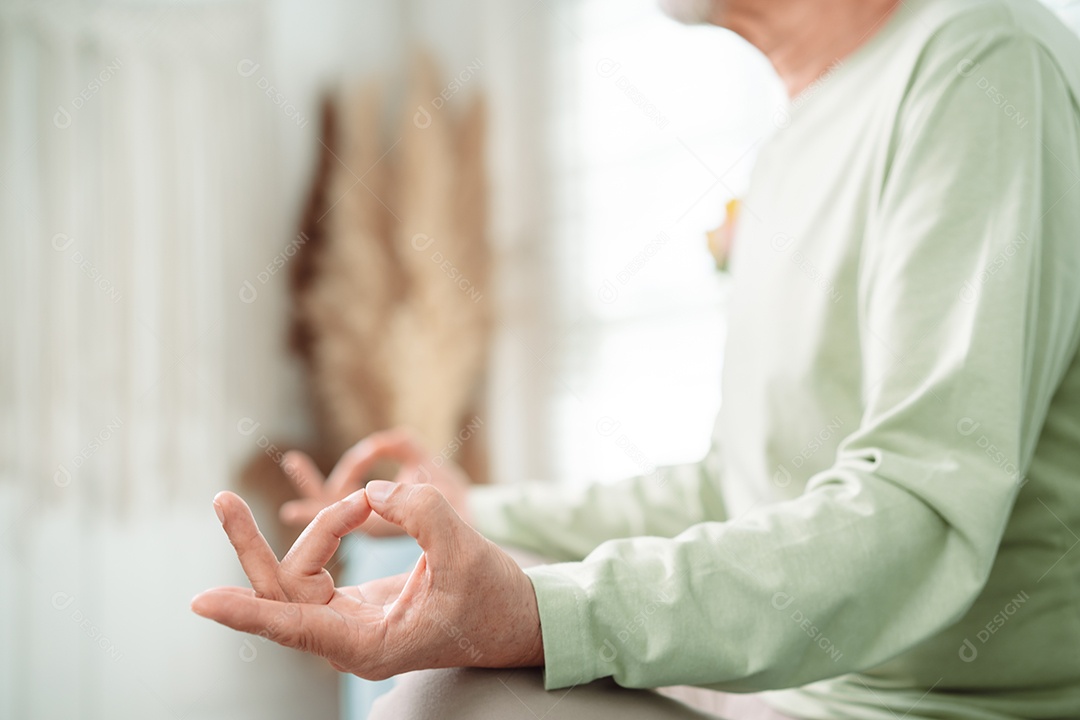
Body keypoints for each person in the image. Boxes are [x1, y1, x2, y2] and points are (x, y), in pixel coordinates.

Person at [191, 0, 1080, 717]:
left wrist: (543, 612)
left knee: (446, 706)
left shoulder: (979, 57)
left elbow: (919, 509)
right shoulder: (788, 144)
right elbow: (732, 487)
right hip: (780, 686)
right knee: (419, 633)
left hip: (919, 702)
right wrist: (469, 511)